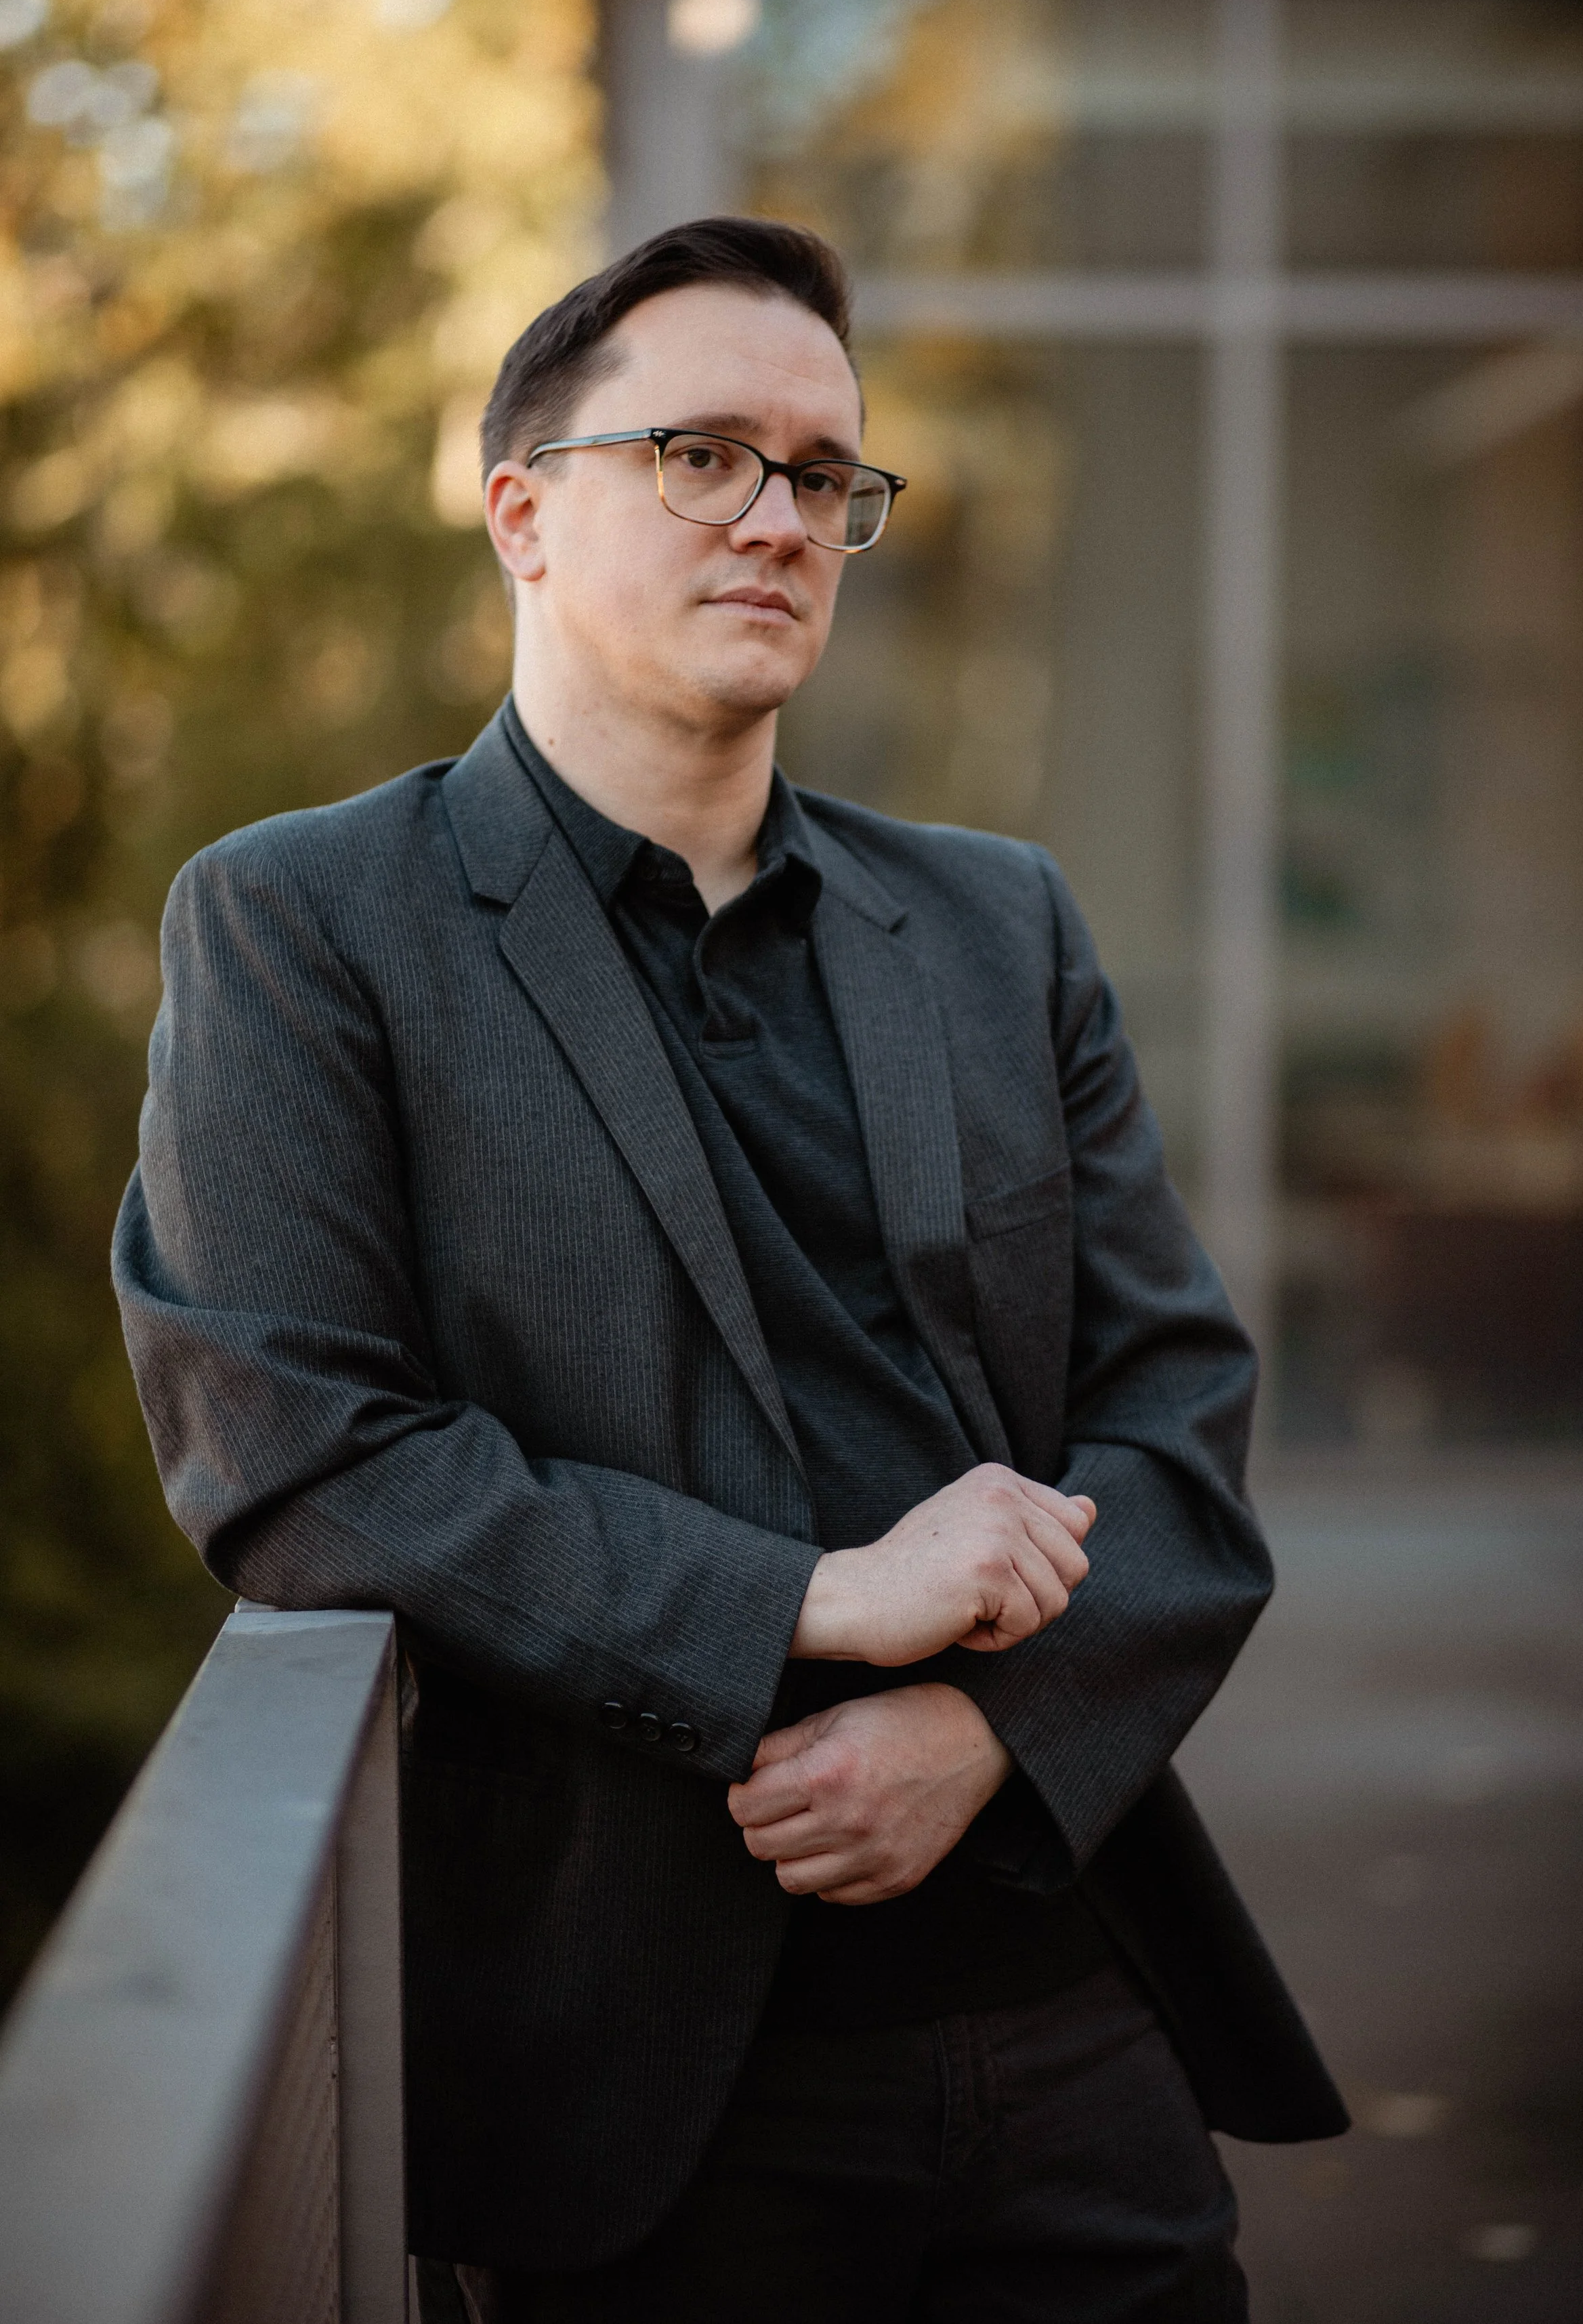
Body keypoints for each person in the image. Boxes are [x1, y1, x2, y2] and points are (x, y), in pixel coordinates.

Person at [115, 217, 1345, 2322]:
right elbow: (299, 1454)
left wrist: (987, 1728)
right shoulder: (302, 923)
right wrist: (806, 1603)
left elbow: (1175, 1419)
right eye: (701, 455)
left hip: (1072, 2010)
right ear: (520, 509)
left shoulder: (992, 924)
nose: (779, 519)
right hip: (648, 2084)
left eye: (824, 476)